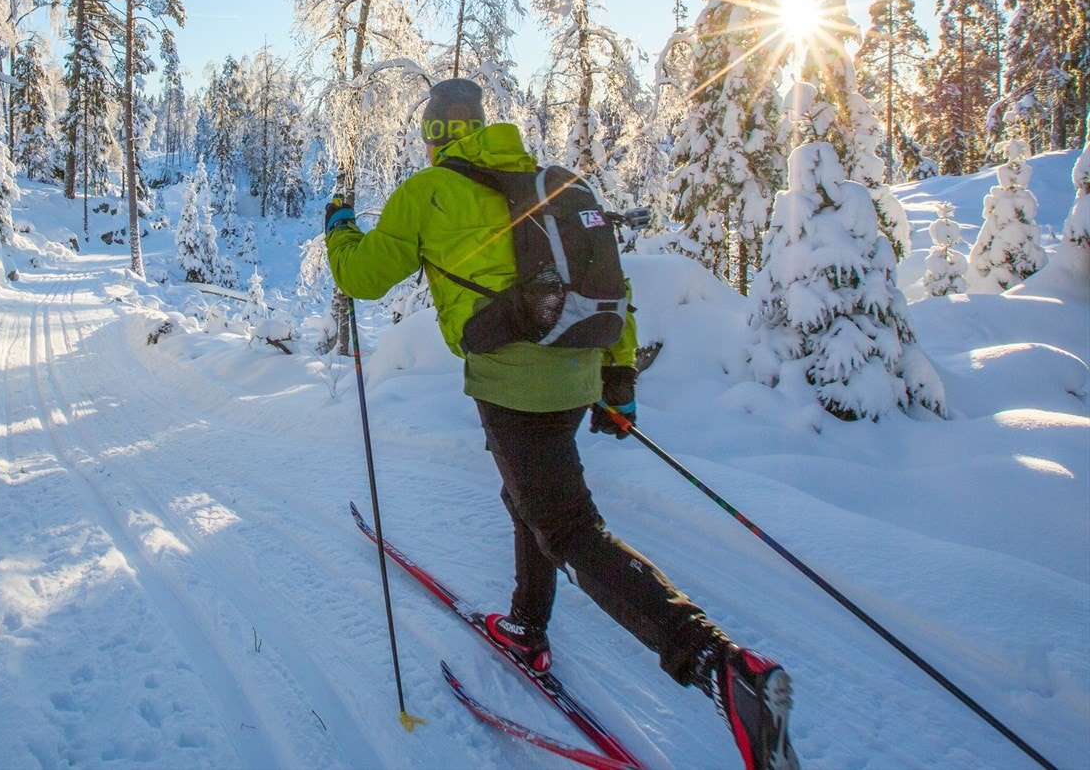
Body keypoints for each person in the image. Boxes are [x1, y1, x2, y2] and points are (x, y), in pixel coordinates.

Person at [323, 78, 799, 770]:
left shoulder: (429, 191)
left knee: (569, 528)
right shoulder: (551, 181)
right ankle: (527, 625)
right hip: (576, 376)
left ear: (435, 135)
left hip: (511, 387)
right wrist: (619, 377)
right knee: (532, 497)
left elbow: (364, 277)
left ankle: (720, 666)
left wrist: (339, 228)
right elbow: (612, 284)